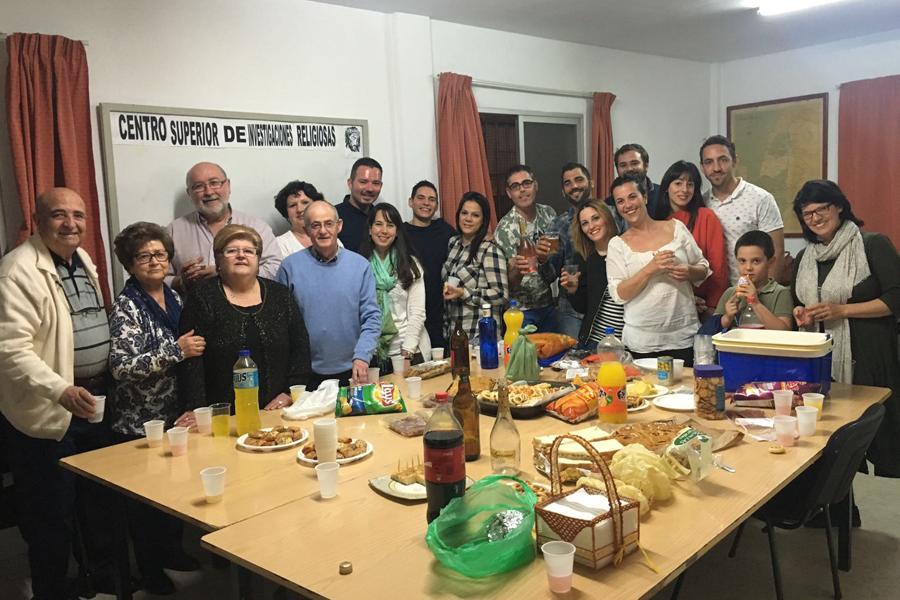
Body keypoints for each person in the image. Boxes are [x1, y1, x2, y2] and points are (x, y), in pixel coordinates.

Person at [0, 188, 111, 599]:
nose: (71, 224)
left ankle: (94, 577)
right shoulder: (17, 271)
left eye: (78, 216)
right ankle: (51, 590)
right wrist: (60, 389)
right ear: (38, 219)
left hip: (90, 405)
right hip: (48, 414)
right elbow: (10, 349)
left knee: (92, 504)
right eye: (59, 215)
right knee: (50, 515)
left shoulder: (80, 259)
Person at [108, 222, 206, 594]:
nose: (154, 261)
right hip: (139, 421)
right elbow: (122, 367)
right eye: (144, 256)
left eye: (160, 254)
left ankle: (172, 553)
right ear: (130, 264)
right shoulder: (127, 306)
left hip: (174, 414)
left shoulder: (173, 296)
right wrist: (175, 351)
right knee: (145, 504)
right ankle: (150, 570)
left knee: (174, 493)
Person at [790, 180, 900, 478]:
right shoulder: (805, 258)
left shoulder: (872, 244)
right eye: (807, 213)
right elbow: (798, 304)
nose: (815, 218)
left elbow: (895, 298)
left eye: (821, 209)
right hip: (822, 359)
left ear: (839, 206)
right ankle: (838, 510)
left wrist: (843, 311)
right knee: (832, 437)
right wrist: (803, 314)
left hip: (869, 357)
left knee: (874, 436)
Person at [177, 225, 310, 414]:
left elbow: (300, 346)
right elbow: (191, 358)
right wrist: (195, 409)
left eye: (249, 251)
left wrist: (290, 392)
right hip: (223, 413)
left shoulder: (280, 295)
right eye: (232, 251)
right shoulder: (202, 296)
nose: (241, 255)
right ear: (219, 260)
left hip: (278, 409)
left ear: (258, 259)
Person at [606, 174, 710, 365]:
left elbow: (703, 268)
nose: (627, 205)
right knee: (643, 393)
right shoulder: (617, 244)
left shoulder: (676, 227)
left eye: (632, 197)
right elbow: (619, 294)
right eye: (620, 201)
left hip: (683, 336)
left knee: (686, 392)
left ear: (644, 197)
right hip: (642, 342)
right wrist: (650, 269)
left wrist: (688, 270)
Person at [277, 201, 381, 388]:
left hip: (355, 369)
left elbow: (372, 317)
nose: (323, 231)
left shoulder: (360, 266)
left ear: (339, 226)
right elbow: (280, 324)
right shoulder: (289, 267)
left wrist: (363, 356)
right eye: (315, 225)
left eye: (328, 224)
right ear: (307, 229)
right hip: (306, 374)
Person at [167, 161, 282, 290]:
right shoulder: (173, 231)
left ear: (228, 185)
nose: (209, 192)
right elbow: (159, 278)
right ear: (190, 193)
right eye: (198, 186)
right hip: (192, 308)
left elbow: (276, 269)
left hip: (248, 308)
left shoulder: (257, 227)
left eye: (214, 183)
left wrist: (228, 274)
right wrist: (181, 281)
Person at [699, 136, 786, 285]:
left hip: (753, 294)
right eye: (709, 162)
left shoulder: (761, 199)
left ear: (734, 161)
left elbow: (776, 254)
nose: (716, 168)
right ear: (702, 167)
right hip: (713, 296)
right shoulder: (701, 203)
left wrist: (764, 297)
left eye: (723, 160)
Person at [359, 203, 431, 372]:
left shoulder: (410, 264)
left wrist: (407, 353)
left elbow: (418, 314)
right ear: (370, 229)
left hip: (410, 351)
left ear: (397, 232)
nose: (384, 230)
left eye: (390, 225)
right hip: (374, 354)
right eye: (378, 224)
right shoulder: (359, 265)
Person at [654, 160, 729, 315]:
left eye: (690, 184)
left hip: (706, 305)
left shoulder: (706, 216)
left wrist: (714, 307)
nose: (684, 189)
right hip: (671, 306)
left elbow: (718, 267)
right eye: (678, 183)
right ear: (667, 187)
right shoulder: (658, 223)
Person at [537, 162, 600, 339]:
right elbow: (549, 276)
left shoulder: (611, 216)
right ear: (563, 192)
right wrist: (542, 260)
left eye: (579, 179)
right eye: (568, 183)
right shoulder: (558, 225)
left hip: (607, 308)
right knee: (570, 362)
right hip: (571, 312)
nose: (574, 186)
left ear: (591, 183)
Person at [494, 164, 558, 331]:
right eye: (515, 186)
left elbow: (554, 266)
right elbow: (507, 284)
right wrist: (518, 270)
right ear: (509, 193)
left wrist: (544, 260)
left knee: (554, 355)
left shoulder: (549, 214)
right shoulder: (504, 229)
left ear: (535, 185)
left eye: (526, 183)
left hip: (549, 304)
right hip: (521, 311)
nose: (522, 190)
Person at [442, 192, 509, 340]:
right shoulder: (453, 244)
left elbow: (501, 295)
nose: (468, 219)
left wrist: (464, 293)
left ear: (483, 220)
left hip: (480, 335)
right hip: (454, 333)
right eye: (464, 213)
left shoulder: (489, 250)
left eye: (475, 215)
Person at [559, 198, 624, 349]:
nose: (592, 226)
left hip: (627, 342)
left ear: (606, 217)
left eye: (595, 218)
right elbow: (583, 307)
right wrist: (573, 291)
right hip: (595, 342)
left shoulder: (626, 249)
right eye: (585, 223)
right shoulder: (583, 258)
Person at [403, 180, 455, 348]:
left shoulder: (445, 230)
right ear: (411, 202)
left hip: (441, 314)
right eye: (421, 198)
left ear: (437, 205)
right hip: (409, 314)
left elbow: (466, 244)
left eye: (432, 199)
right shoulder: (400, 233)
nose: (426, 203)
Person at [715, 230, 793, 331]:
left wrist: (755, 303)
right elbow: (712, 329)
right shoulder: (730, 293)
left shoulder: (780, 293)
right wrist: (727, 318)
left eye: (756, 261)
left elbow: (784, 331)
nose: (748, 267)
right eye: (742, 261)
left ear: (770, 262)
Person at [604, 143, 660, 233]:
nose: (629, 169)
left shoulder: (663, 194)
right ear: (617, 169)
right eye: (623, 165)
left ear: (646, 166)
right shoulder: (609, 204)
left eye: (634, 163)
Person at [336, 157, 383, 252]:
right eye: (363, 182)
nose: (370, 188)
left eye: (375, 183)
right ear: (350, 183)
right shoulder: (333, 216)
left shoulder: (383, 217)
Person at [273, 180, 326, 257]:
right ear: (286, 213)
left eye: (305, 202)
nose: (300, 209)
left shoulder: (328, 235)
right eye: (293, 205)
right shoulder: (280, 244)